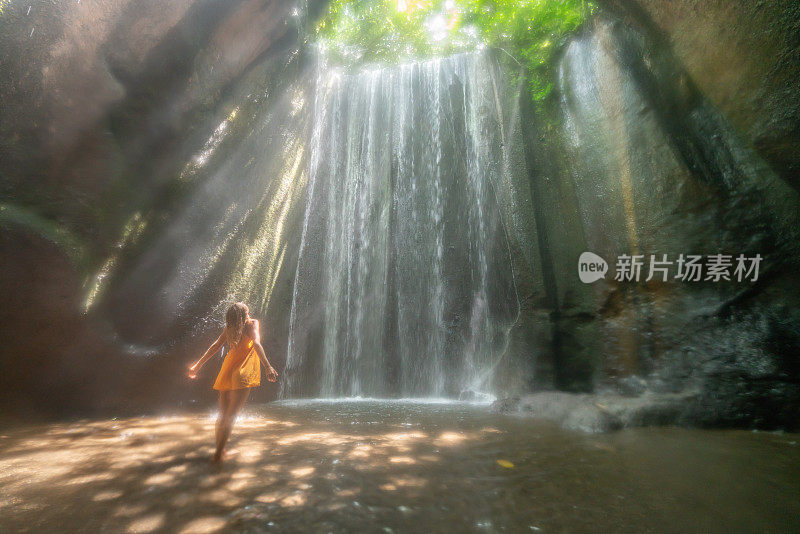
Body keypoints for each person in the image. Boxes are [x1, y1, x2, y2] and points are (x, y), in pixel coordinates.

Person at [187, 302, 278, 463]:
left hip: (228, 370)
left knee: (222, 415)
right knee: (231, 416)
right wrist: (268, 366)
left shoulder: (230, 328)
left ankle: (219, 450)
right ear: (245, 315)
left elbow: (215, 346)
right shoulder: (252, 324)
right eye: (247, 313)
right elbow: (256, 343)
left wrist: (198, 365)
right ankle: (219, 453)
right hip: (242, 373)